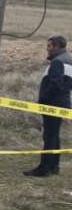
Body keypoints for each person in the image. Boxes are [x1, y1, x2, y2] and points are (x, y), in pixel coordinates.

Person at [26, 35, 72, 177]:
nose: (47, 49)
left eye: (49, 46)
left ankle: (44, 168)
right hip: (61, 103)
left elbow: (55, 85)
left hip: (52, 104)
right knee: (54, 135)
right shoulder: (68, 59)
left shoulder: (57, 62)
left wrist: (44, 99)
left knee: (49, 136)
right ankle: (54, 166)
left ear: (57, 46)